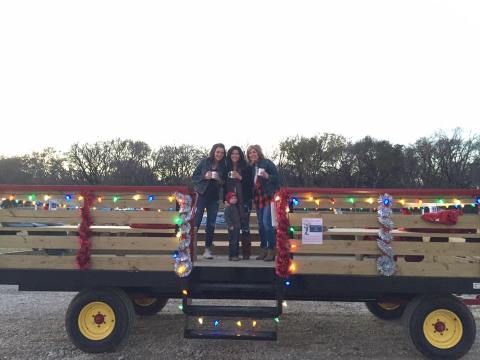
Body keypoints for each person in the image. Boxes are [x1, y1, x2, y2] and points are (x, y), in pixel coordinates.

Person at [192, 143, 226, 259]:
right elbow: (194, 177)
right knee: (196, 221)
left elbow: (225, 183)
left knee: (211, 224)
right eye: (217, 152)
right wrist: (204, 177)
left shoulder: (224, 165)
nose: (219, 154)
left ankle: (207, 249)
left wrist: (219, 180)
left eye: (221, 152)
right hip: (201, 195)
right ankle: (192, 247)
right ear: (213, 152)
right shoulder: (204, 162)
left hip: (214, 198)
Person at [246, 145, 280, 261]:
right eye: (250, 153)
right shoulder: (251, 167)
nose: (252, 155)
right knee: (260, 225)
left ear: (258, 153)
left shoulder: (267, 163)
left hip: (268, 196)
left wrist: (268, 176)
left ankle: (272, 249)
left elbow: (278, 178)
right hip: (257, 198)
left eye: (254, 152)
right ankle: (264, 249)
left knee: (267, 223)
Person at [224, 146, 254, 259]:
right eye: (232, 154)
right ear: (230, 155)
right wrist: (225, 200)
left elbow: (251, 184)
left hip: (245, 201)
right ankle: (233, 254)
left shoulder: (247, 167)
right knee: (233, 228)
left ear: (240, 155)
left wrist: (240, 177)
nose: (235, 156)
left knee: (245, 226)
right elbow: (225, 187)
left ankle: (246, 253)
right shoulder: (227, 168)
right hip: (231, 202)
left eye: (237, 154)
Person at [224, 192, 241, 261]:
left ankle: (235, 255)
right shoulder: (228, 207)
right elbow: (227, 217)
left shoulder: (235, 207)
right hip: (232, 227)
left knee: (236, 241)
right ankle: (232, 255)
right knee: (233, 241)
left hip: (237, 226)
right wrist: (230, 225)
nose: (234, 200)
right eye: (232, 198)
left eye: (235, 198)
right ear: (228, 199)